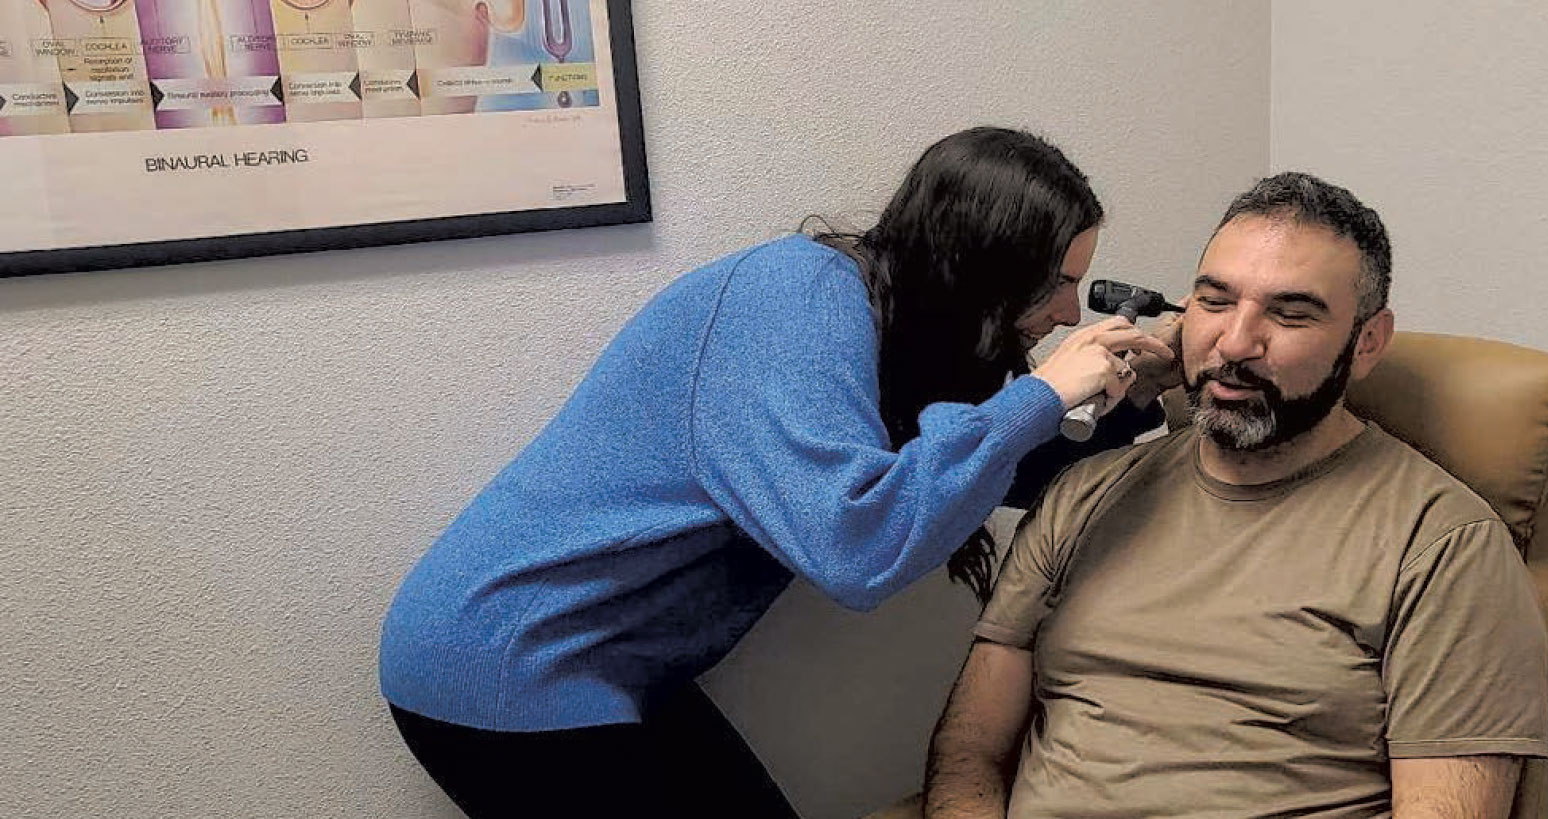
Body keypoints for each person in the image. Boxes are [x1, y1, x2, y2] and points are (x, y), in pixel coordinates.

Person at [377, 126, 1182, 817]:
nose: (1068, 313)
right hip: (505, 657)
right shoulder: (795, 298)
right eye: (1056, 283)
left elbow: (977, 478)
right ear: (982, 262)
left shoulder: (899, 327)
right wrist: (1042, 393)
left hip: (604, 655)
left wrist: (1135, 403)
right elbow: (857, 547)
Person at [923, 172, 1548, 819]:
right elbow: (969, 754)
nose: (1235, 343)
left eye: (1290, 313)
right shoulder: (1083, 495)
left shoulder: (1443, 545)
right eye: (1214, 301)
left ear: (1366, 342)